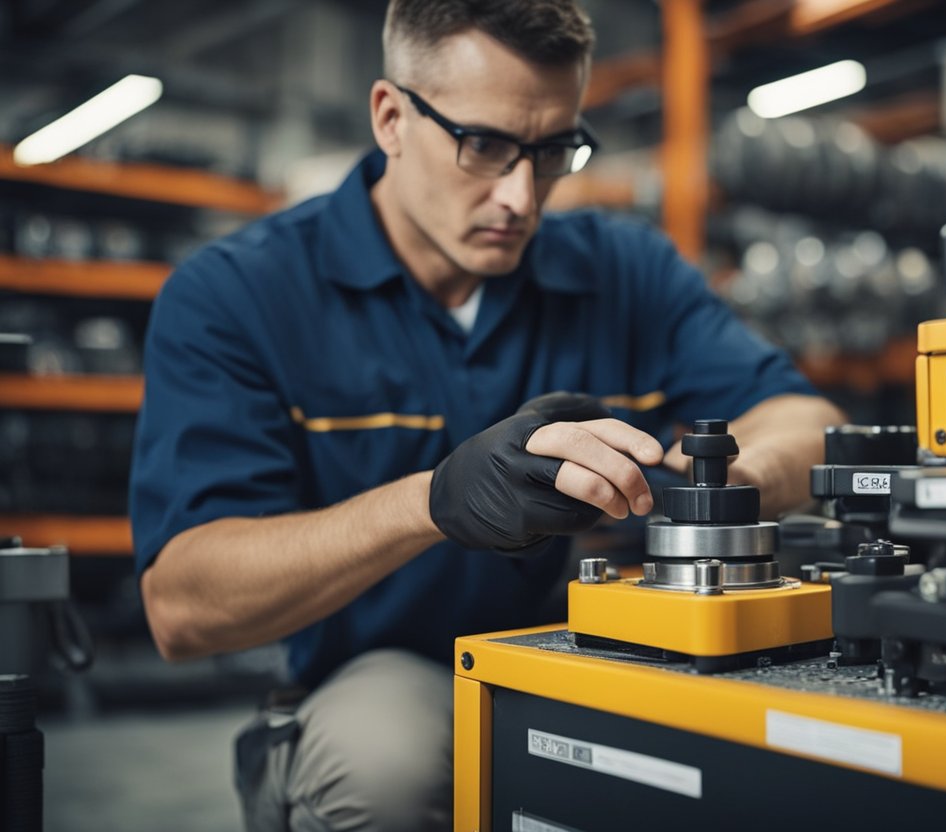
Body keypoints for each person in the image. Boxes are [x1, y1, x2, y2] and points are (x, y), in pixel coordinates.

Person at [129, 0, 845, 829]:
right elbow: (182, 608)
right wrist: (431, 503)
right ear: (391, 118)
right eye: (486, 145)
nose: (521, 196)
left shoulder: (626, 271)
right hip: (391, 676)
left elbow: (807, 417)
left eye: (552, 151)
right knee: (384, 765)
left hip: (603, 650)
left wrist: (737, 480)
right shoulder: (236, 296)